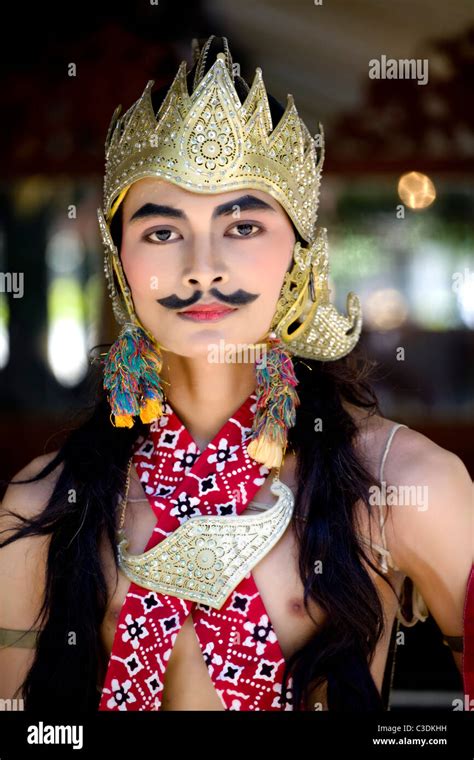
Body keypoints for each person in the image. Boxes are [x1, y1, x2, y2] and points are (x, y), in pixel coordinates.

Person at [0, 34, 471, 712]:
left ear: (301, 252)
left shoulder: (405, 486)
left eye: (243, 226)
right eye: (162, 232)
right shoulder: (43, 506)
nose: (202, 265)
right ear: (119, 264)